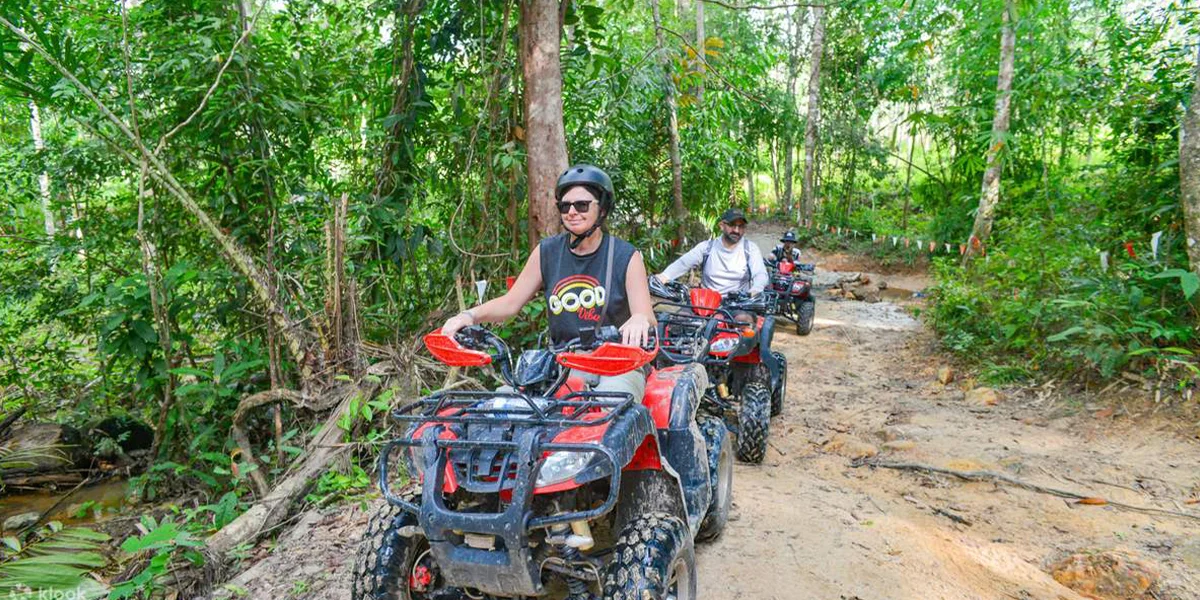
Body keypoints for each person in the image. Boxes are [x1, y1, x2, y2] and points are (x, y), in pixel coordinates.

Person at [440, 164, 655, 399]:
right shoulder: (547, 251)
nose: (572, 211)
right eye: (565, 206)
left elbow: (645, 315)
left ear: (601, 209)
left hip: (618, 362)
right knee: (505, 405)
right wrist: (469, 316)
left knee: (610, 407)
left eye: (582, 205)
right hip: (564, 361)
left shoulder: (625, 255)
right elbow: (511, 303)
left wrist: (639, 320)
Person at [656, 208, 768, 297]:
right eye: (732, 225)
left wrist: (756, 289)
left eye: (741, 226)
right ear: (721, 225)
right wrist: (664, 276)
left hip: (738, 304)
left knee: (744, 320)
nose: (736, 230)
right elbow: (683, 263)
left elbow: (760, 273)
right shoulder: (707, 248)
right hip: (706, 302)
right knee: (679, 319)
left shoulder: (750, 249)